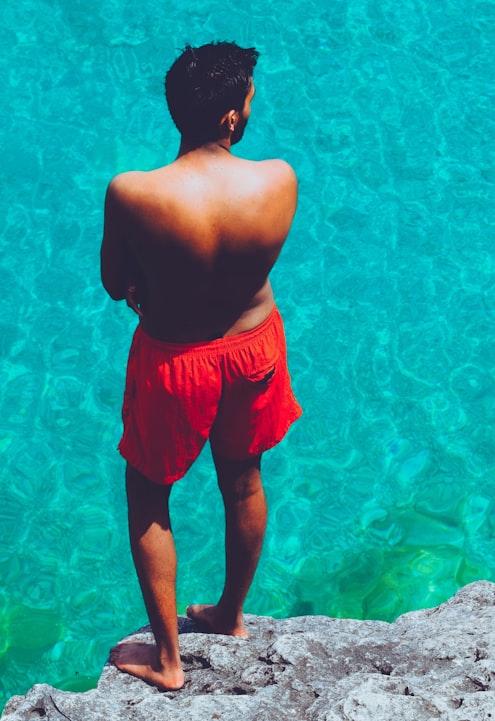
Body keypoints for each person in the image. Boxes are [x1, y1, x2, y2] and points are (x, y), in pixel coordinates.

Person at [99, 41, 301, 690]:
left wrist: (149, 285)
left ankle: (168, 658)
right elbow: (243, 263)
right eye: (248, 99)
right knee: (243, 481)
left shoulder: (132, 193)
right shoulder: (278, 179)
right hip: (253, 347)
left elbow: (112, 281)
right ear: (231, 122)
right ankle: (230, 614)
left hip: (174, 361)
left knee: (148, 495)